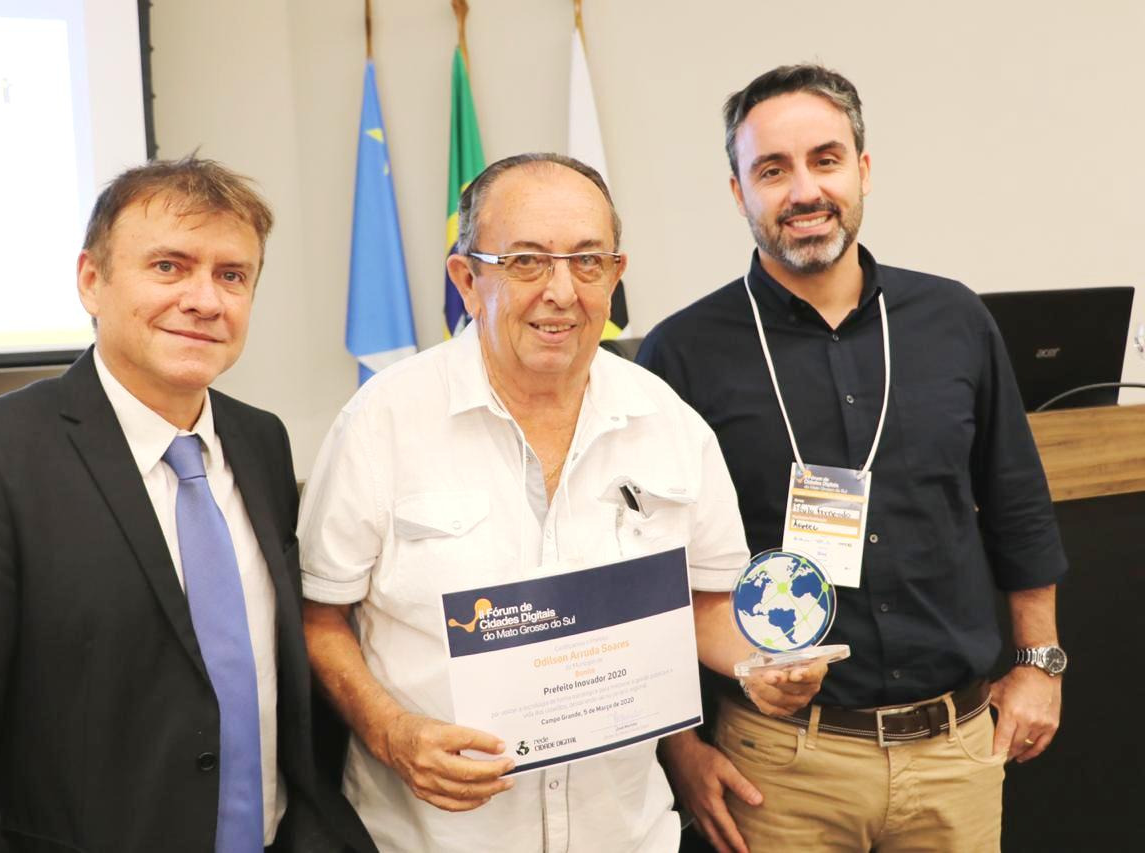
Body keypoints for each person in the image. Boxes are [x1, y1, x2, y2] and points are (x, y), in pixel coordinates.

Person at [297, 153, 826, 852]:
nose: (561, 290)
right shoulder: (382, 422)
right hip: (432, 838)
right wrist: (392, 735)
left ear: (615, 275)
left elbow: (706, 603)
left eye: (587, 261)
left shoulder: (669, 424)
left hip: (626, 833)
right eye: (525, 262)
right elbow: (318, 616)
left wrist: (761, 664)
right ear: (467, 277)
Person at [0, 157, 375, 853]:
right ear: (91, 281)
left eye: (232, 275)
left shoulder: (261, 441)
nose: (204, 299)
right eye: (169, 266)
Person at [638, 65, 1068, 853]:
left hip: (956, 752)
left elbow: (1016, 502)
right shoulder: (681, 353)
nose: (804, 189)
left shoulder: (953, 319)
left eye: (825, 159)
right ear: (738, 192)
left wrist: (1040, 662)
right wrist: (679, 747)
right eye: (773, 169)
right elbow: (650, 569)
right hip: (777, 764)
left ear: (862, 171)